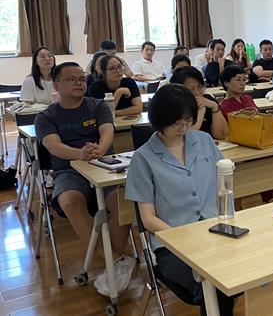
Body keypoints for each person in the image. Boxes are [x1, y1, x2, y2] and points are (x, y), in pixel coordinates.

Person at [124, 84, 236, 316]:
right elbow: (148, 219)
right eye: (176, 123)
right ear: (160, 119)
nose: (184, 128)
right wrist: (185, 240)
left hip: (215, 232)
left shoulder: (203, 141)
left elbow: (224, 183)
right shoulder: (143, 158)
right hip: (172, 244)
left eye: (188, 120)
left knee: (247, 271)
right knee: (214, 285)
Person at [34, 62, 134, 296]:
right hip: (68, 170)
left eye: (81, 79)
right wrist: (79, 154)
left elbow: (107, 131)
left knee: (124, 202)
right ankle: (116, 259)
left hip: (104, 166)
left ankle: (114, 262)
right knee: (70, 201)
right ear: (57, 85)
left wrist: (100, 149)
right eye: (72, 79)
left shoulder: (98, 105)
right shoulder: (46, 116)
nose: (79, 83)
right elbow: (53, 146)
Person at [170, 66, 228, 140]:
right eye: (192, 89)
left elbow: (222, 135)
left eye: (200, 87)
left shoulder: (208, 101)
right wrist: (201, 111)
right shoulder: (174, 107)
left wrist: (214, 107)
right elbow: (186, 138)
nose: (197, 92)